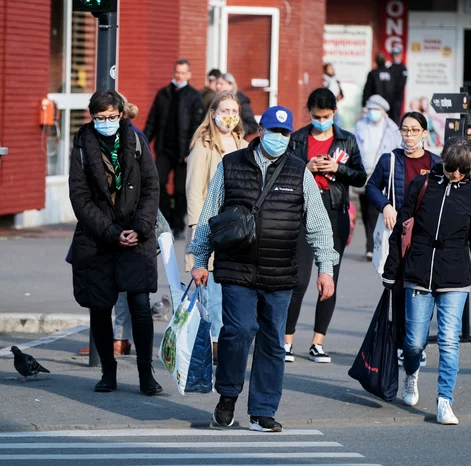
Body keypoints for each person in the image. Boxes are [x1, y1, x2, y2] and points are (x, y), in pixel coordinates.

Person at [188, 106, 339, 432]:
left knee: (272, 342)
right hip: (237, 268)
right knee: (237, 332)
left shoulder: (299, 172)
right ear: (261, 130)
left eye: (285, 133)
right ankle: (227, 397)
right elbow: (209, 214)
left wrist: (326, 267)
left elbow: (318, 225)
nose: (279, 138)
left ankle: (262, 411)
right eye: (274, 132)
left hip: (280, 271)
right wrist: (200, 260)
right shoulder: (232, 165)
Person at [382, 137, 471, 425]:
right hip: (418, 273)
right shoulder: (421, 186)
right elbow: (401, 232)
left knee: (448, 341)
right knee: (415, 342)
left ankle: (445, 400)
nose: (454, 173)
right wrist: (391, 270)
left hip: (455, 277)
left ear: (468, 168)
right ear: (442, 161)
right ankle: (412, 373)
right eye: (450, 167)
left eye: (460, 169)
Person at [69, 90, 162, 395]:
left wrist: (140, 227)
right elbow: (80, 198)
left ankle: (146, 375)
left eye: (112, 117)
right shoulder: (82, 145)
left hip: (137, 235)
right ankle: (108, 373)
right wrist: (110, 231)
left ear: (121, 114)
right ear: (91, 116)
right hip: (98, 238)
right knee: (100, 306)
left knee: (140, 305)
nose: (107, 122)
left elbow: (151, 187)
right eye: (100, 118)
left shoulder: (136, 141)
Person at [284, 88, 366, 363]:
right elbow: (282, 173)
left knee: (329, 279)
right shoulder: (296, 139)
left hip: (334, 212)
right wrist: (306, 167)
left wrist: (337, 169)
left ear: (334, 113)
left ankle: (318, 342)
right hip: (304, 211)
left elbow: (360, 177)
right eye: (317, 116)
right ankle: (287, 340)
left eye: (327, 116)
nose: (322, 120)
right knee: (299, 278)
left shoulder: (347, 140)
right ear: (309, 113)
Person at [366, 111, 441, 366]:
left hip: (426, 239)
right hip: (399, 237)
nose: (409, 136)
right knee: (398, 291)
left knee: (422, 292)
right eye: (405, 130)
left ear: (424, 133)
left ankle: (416, 343)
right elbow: (371, 187)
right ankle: (401, 344)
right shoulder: (390, 160)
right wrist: (386, 205)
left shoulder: (436, 163)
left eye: (414, 130)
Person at [185, 91, 248, 361]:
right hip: (212, 230)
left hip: (238, 231)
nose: (230, 116)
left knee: (233, 293)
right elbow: (195, 191)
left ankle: (228, 343)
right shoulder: (204, 145)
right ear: (213, 113)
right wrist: (198, 230)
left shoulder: (243, 144)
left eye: (234, 111)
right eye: (224, 111)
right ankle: (214, 347)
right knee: (213, 295)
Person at [144, 59, 205, 239]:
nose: (179, 76)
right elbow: (152, 122)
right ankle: (167, 220)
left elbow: (198, 126)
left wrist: (191, 150)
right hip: (164, 148)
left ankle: (178, 225)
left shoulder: (194, 97)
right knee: (158, 183)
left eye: (183, 73)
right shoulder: (163, 94)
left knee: (181, 190)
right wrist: (143, 142)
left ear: (189, 74)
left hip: (184, 152)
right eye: (177, 72)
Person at [354, 95, 401, 260]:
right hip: (363, 172)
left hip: (381, 174)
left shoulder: (391, 128)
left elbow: (397, 151)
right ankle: (371, 242)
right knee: (366, 210)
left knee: (375, 210)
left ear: (383, 111)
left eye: (376, 109)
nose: (372, 112)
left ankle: (372, 246)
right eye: (371, 109)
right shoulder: (360, 125)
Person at [388, 46, 408, 124]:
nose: (395, 57)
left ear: (400, 55)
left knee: (396, 117)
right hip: (389, 98)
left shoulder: (403, 68)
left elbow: (402, 83)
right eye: (394, 55)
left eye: (397, 55)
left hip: (397, 98)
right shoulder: (389, 68)